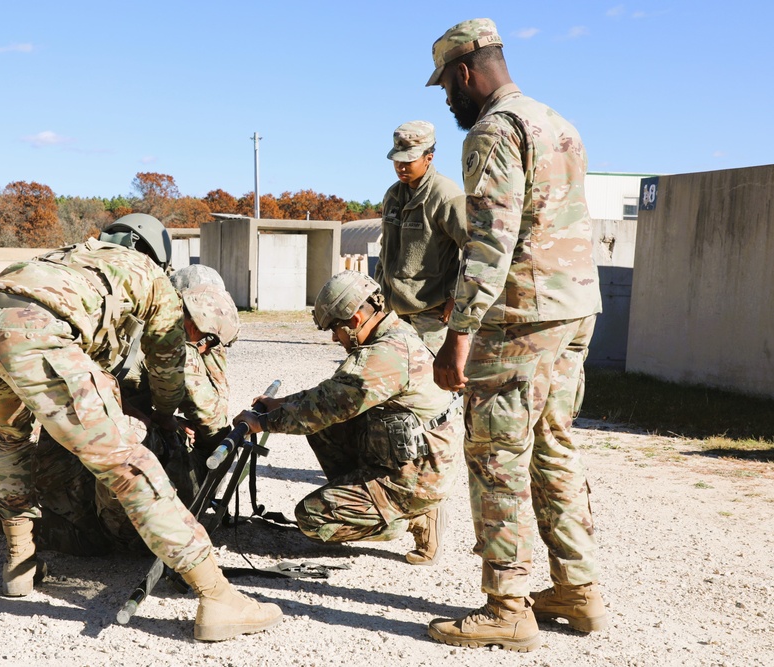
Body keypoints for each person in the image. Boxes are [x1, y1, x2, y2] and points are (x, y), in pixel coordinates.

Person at [0, 213, 280, 641]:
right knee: (127, 463)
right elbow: (168, 365)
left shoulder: (71, 258)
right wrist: (162, 413)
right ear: (154, 257)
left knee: (12, 434)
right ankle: (217, 596)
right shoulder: (151, 278)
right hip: (33, 330)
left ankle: (19, 563)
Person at [425, 18, 605, 651]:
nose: (448, 98)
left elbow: (490, 242)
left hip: (523, 318)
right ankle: (577, 590)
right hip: (575, 311)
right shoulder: (560, 123)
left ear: (467, 72)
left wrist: (459, 333)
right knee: (554, 446)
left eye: (447, 84)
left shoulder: (492, 131)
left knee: (497, 454)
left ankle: (507, 604)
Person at [0, 270, 242, 559]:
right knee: (115, 542)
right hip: (79, 459)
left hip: (68, 454)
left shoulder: (119, 321)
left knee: (112, 511)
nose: (205, 347)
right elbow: (209, 418)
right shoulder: (165, 341)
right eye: (205, 337)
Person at [233, 271, 461, 565]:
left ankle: (404, 517)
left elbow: (324, 409)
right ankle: (384, 503)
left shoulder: (383, 355)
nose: (333, 337)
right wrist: (278, 404)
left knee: (312, 519)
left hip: (417, 476)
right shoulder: (396, 333)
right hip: (416, 458)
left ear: (354, 321)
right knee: (325, 430)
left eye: (335, 329)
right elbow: (330, 395)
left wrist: (260, 423)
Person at [375, 120, 470, 355]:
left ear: (429, 157)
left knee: (436, 385)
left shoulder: (446, 195)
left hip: (432, 317)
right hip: (393, 314)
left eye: (409, 160)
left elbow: (474, 249)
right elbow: (385, 251)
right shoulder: (393, 195)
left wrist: (456, 299)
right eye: (397, 159)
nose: (401, 166)